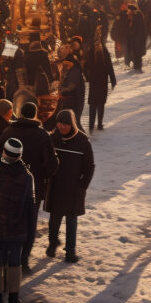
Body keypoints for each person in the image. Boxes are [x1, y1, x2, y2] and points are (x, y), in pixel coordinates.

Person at [0, 102, 58, 273]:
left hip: (9, 186)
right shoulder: (42, 134)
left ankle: (9, 258)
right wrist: (45, 175)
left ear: (20, 113)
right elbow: (51, 163)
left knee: (11, 223)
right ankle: (23, 261)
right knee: (29, 224)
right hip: (33, 187)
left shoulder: (8, 132)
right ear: (34, 114)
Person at [0, 137, 35, 303]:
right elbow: (30, 207)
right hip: (16, 228)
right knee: (14, 262)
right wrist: (30, 234)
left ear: (3, 151)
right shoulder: (26, 176)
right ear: (20, 156)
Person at [45, 110, 95, 263]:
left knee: (71, 220)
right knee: (54, 218)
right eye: (59, 123)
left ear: (71, 124)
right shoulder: (53, 138)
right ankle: (53, 244)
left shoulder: (82, 141)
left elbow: (89, 167)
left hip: (74, 188)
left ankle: (70, 251)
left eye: (65, 124)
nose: (62, 127)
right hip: (55, 185)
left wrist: (82, 186)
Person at [85, 37, 117, 131]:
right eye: (96, 44)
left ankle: (99, 124)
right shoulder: (90, 53)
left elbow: (110, 67)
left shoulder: (105, 54)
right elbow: (86, 67)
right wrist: (87, 77)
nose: (97, 46)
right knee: (92, 104)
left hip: (102, 83)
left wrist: (113, 80)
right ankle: (91, 124)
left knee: (101, 104)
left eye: (99, 44)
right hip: (94, 83)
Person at [57, 54, 86, 130]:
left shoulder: (74, 71)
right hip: (75, 100)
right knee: (74, 122)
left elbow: (71, 87)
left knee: (75, 122)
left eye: (66, 64)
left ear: (71, 63)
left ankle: (83, 139)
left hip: (74, 102)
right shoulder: (73, 70)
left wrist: (62, 89)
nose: (65, 66)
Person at [127, 5, 148, 72]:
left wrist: (135, 35)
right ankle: (136, 66)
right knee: (136, 52)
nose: (128, 12)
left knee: (137, 52)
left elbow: (137, 27)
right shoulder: (137, 14)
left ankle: (138, 67)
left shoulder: (137, 15)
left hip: (138, 37)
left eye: (129, 10)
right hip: (137, 37)